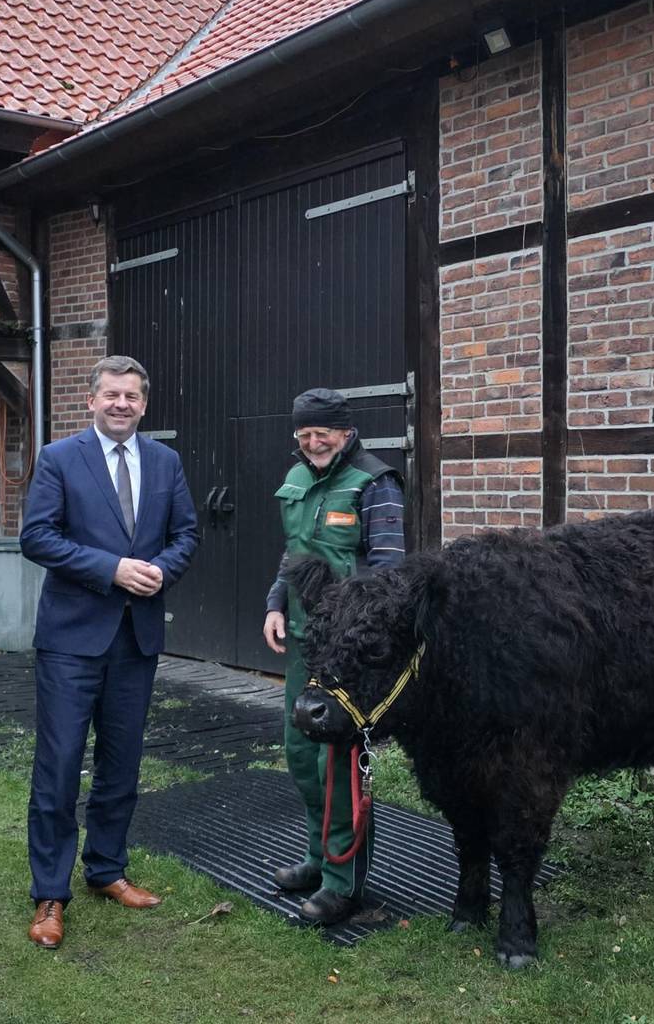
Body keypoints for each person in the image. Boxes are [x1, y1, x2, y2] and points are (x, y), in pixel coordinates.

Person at [19, 355, 198, 950]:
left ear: (144, 404)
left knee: (122, 763)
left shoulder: (166, 461)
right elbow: (37, 537)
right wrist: (112, 569)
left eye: (132, 397)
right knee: (61, 765)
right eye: (111, 395)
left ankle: (106, 870)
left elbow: (186, 535)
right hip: (72, 639)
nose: (121, 405)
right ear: (90, 401)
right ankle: (50, 892)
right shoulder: (59, 459)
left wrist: (158, 571)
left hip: (136, 639)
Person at [261, 387, 406, 925]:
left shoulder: (374, 482)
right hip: (303, 639)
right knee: (301, 754)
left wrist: (360, 638)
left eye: (324, 432)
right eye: (305, 433)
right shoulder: (297, 479)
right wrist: (276, 603)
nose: (315, 441)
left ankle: (344, 882)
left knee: (338, 765)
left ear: (346, 433)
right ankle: (318, 859)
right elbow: (293, 554)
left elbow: (390, 571)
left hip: (347, 650)